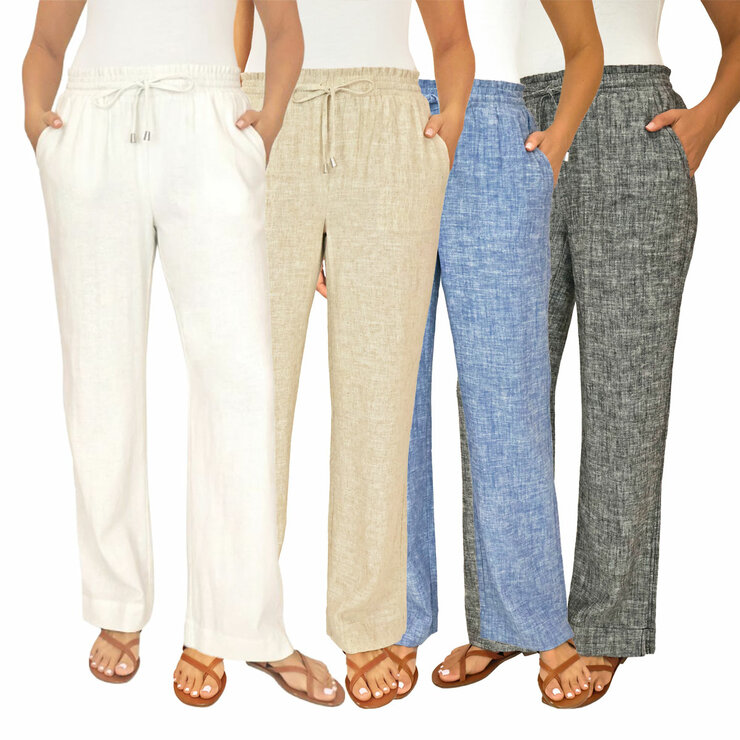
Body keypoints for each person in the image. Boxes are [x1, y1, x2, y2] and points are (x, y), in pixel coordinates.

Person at [23, 0, 342, 707]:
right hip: (93, 123)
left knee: (241, 385)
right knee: (98, 384)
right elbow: (46, 38)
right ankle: (117, 601)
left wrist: (269, 125)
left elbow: (283, 30)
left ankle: (242, 621)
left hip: (210, 123)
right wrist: (35, 122)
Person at [460, 0, 740, 705]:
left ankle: (605, 621)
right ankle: (510, 613)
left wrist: (708, 118)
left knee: (626, 399)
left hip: (631, 124)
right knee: (499, 390)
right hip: (513, 119)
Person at [240, 0, 473, 709]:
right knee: (247, 392)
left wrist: (447, 132)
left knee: (379, 398)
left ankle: (368, 620)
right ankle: (234, 608)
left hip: (387, 125)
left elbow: (451, 37)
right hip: (267, 113)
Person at [395, 0, 604, 707]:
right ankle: (395, 616)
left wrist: (555, 146)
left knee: (509, 400)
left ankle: (536, 620)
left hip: (493, 135)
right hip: (384, 118)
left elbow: (586, 48)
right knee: (390, 399)